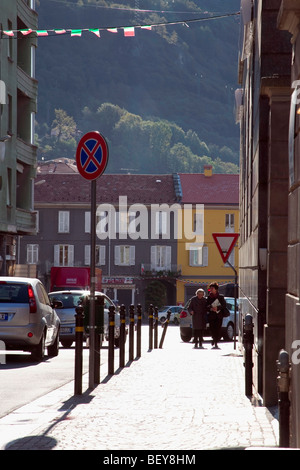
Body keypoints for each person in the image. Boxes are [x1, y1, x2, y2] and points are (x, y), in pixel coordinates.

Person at [206, 282, 227, 349]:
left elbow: (224, 305)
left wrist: (217, 308)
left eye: (212, 288)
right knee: (212, 329)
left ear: (216, 289)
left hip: (219, 316)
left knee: (218, 329)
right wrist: (211, 308)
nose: (211, 289)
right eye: (210, 288)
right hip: (211, 316)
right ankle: (214, 340)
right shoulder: (208, 297)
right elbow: (206, 306)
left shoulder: (221, 297)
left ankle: (215, 342)